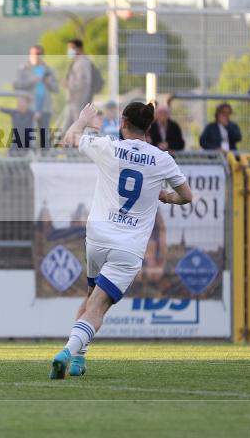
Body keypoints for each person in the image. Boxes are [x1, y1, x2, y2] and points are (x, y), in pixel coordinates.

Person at [48, 102, 192, 379]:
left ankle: (78, 360)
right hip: (128, 246)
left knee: (91, 296)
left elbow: (69, 138)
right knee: (99, 306)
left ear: (123, 123)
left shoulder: (109, 146)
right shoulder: (162, 159)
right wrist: (166, 197)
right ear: (149, 127)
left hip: (97, 238)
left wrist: (83, 119)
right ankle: (67, 352)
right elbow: (187, 196)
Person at [13, 45, 59, 148]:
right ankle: (26, 155)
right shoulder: (23, 69)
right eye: (32, 53)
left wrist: (48, 82)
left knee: (44, 135)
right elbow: (16, 85)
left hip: (45, 108)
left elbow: (56, 88)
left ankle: (45, 155)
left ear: (42, 55)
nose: (35, 56)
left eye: (38, 53)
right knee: (27, 135)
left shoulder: (48, 70)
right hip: (28, 108)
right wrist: (31, 81)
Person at [58, 39, 94, 131]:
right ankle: (63, 139)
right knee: (67, 128)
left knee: (78, 127)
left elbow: (83, 82)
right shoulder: (77, 61)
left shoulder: (82, 62)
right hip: (73, 100)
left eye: (72, 48)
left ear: (79, 48)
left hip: (78, 100)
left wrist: (69, 84)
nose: (70, 50)